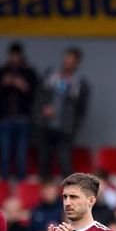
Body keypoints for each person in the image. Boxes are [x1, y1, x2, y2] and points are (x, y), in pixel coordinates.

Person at [36, 47, 90, 179]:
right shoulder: (51, 76)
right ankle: (45, 191)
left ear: (76, 63)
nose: (68, 63)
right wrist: (42, 111)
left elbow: (82, 109)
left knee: (65, 162)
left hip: (65, 128)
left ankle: (68, 193)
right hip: (46, 125)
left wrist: (75, 125)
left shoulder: (80, 83)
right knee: (44, 159)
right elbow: (38, 97)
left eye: (72, 61)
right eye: (66, 59)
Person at [0, 42, 38, 181]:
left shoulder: (29, 72)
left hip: (23, 117)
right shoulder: (1, 71)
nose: (14, 58)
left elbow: (37, 96)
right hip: (5, 117)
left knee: (22, 152)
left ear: (21, 56)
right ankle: (4, 180)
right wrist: (3, 84)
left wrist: (23, 85)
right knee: (5, 152)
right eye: (12, 55)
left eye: (17, 55)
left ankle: (21, 181)